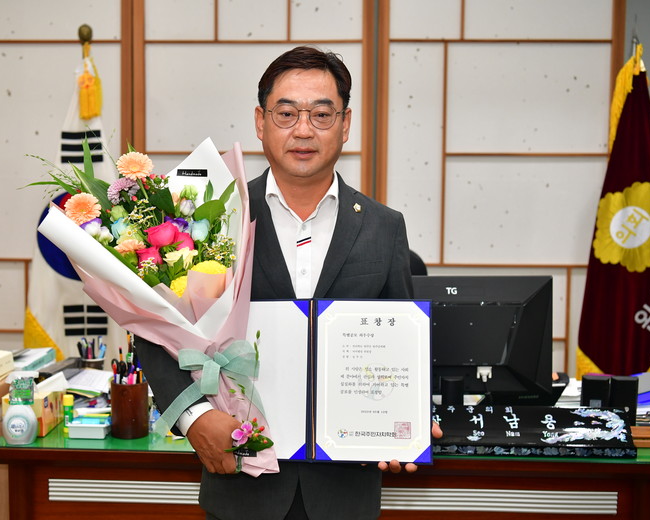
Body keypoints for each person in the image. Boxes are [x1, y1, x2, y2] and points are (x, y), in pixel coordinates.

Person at [137, 45, 442, 520]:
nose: (303, 130)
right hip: (240, 485)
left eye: (321, 114)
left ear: (345, 124)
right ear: (260, 122)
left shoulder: (384, 227)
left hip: (345, 491)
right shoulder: (214, 219)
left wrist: (406, 422)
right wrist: (194, 417)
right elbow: (157, 330)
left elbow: (401, 342)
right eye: (286, 113)